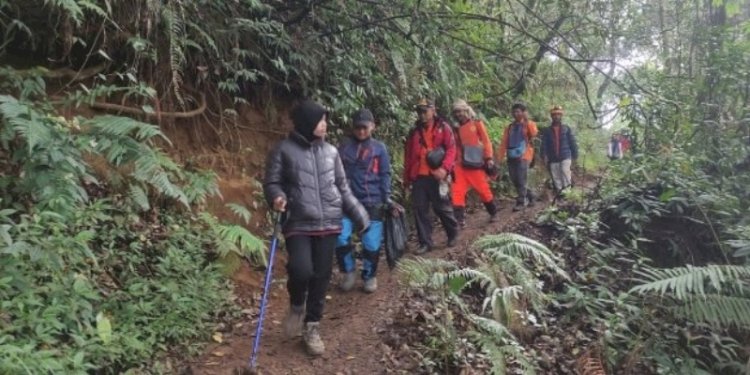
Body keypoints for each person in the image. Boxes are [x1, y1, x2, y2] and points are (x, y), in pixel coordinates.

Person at [263, 99, 369, 356]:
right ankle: (297, 304)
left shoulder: (332, 152)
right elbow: (272, 182)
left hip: (330, 222)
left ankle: (312, 327)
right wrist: (276, 197)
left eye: (325, 120)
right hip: (299, 221)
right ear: (308, 123)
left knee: (321, 276)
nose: (325, 125)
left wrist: (360, 215)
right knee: (301, 270)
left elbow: (342, 188)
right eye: (321, 120)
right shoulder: (283, 150)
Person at [335, 108, 391, 293]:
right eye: (358, 128)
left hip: (372, 200)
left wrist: (386, 198)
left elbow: (384, 174)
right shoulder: (343, 147)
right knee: (341, 237)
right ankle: (348, 272)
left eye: (364, 128)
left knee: (371, 243)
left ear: (372, 127)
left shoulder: (379, 148)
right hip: (346, 201)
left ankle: (369, 276)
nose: (361, 131)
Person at [403, 99, 459, 254]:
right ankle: (425, 242)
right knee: (420, 210)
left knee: (442, 207)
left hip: (437, 174)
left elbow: (451, 150)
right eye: (419, 111)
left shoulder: (444, 128)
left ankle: (452, 233)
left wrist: (445, 169)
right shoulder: (414, 132)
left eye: (424, 111)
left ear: (433, 111)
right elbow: (408, 156)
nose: (422, 115)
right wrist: (407, 178)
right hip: (419, 176)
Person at [450, 99, 497, 227]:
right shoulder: (455, 128)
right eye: (455, 112)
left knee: (483, 189)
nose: (458, 114)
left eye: (459, 111)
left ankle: (493, 212)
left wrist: (488, 158)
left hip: (475, 163)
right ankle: (459, 220)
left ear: (466, 110)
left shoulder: (476, 124)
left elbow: (486, 141)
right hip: (460, 165)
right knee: (457, 192)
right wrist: (452, 164)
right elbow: (453, 147)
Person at [497, 103, 539, 211]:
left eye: (518, 111)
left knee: (521, 178)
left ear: (523, 112)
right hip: (511, 155)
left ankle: (521, 201)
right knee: (514, 179)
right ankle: (531, 195)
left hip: (524, 155)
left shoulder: (528, 124)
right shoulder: (510, 127)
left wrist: (526, 120)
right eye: (514, 112)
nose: (516, 114)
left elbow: (534, 134)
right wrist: (499, 158)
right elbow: (504, 143)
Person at [541, 105, 578, 196]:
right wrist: (544, 155)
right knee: (556, 176)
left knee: (565, 172)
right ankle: (560, 195)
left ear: (561, 116)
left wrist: (575, 155)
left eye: (558, 114)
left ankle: (568, 194)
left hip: (565, 155)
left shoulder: (566, 128)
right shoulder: (547, 130)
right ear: (551, 116)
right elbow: (544, 144)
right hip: (553, 157)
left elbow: (572, 142)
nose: (556, 116)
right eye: (554, 115)